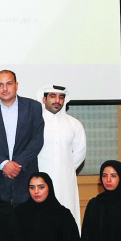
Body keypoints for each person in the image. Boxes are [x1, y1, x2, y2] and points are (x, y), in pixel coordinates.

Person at [0, 70, 44, 205]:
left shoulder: (33, 107)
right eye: (0, 85)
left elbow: (37, 140)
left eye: (9, 84)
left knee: (25, 220)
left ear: (16, 85)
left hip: (25, 172)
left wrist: (17, 164)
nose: (5, 89)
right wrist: (4, 164)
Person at [37, 85, 87, 227]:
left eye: (61, 97)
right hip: (39, 180)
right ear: (44, 99)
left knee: (67, 216)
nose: (57, 100)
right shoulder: (36, 122)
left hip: (66, 180)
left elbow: (79, 153)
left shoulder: (74, 124)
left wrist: (65, 168)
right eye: (53, 96)